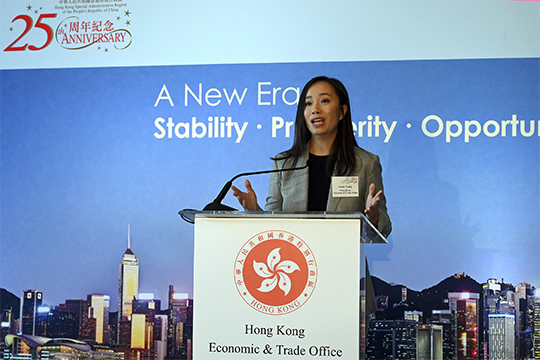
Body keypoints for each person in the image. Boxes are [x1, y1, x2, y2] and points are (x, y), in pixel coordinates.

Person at [232, 76, 391, 238]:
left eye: (324, 101)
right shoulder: (284, 164)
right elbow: (273, 227)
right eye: (308, 103)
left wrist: (373, 218)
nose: (315, 109)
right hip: (296, 261)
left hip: (343, 261)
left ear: (342, 112)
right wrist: (254, 210)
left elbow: (383, 231)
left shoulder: (365, 164)